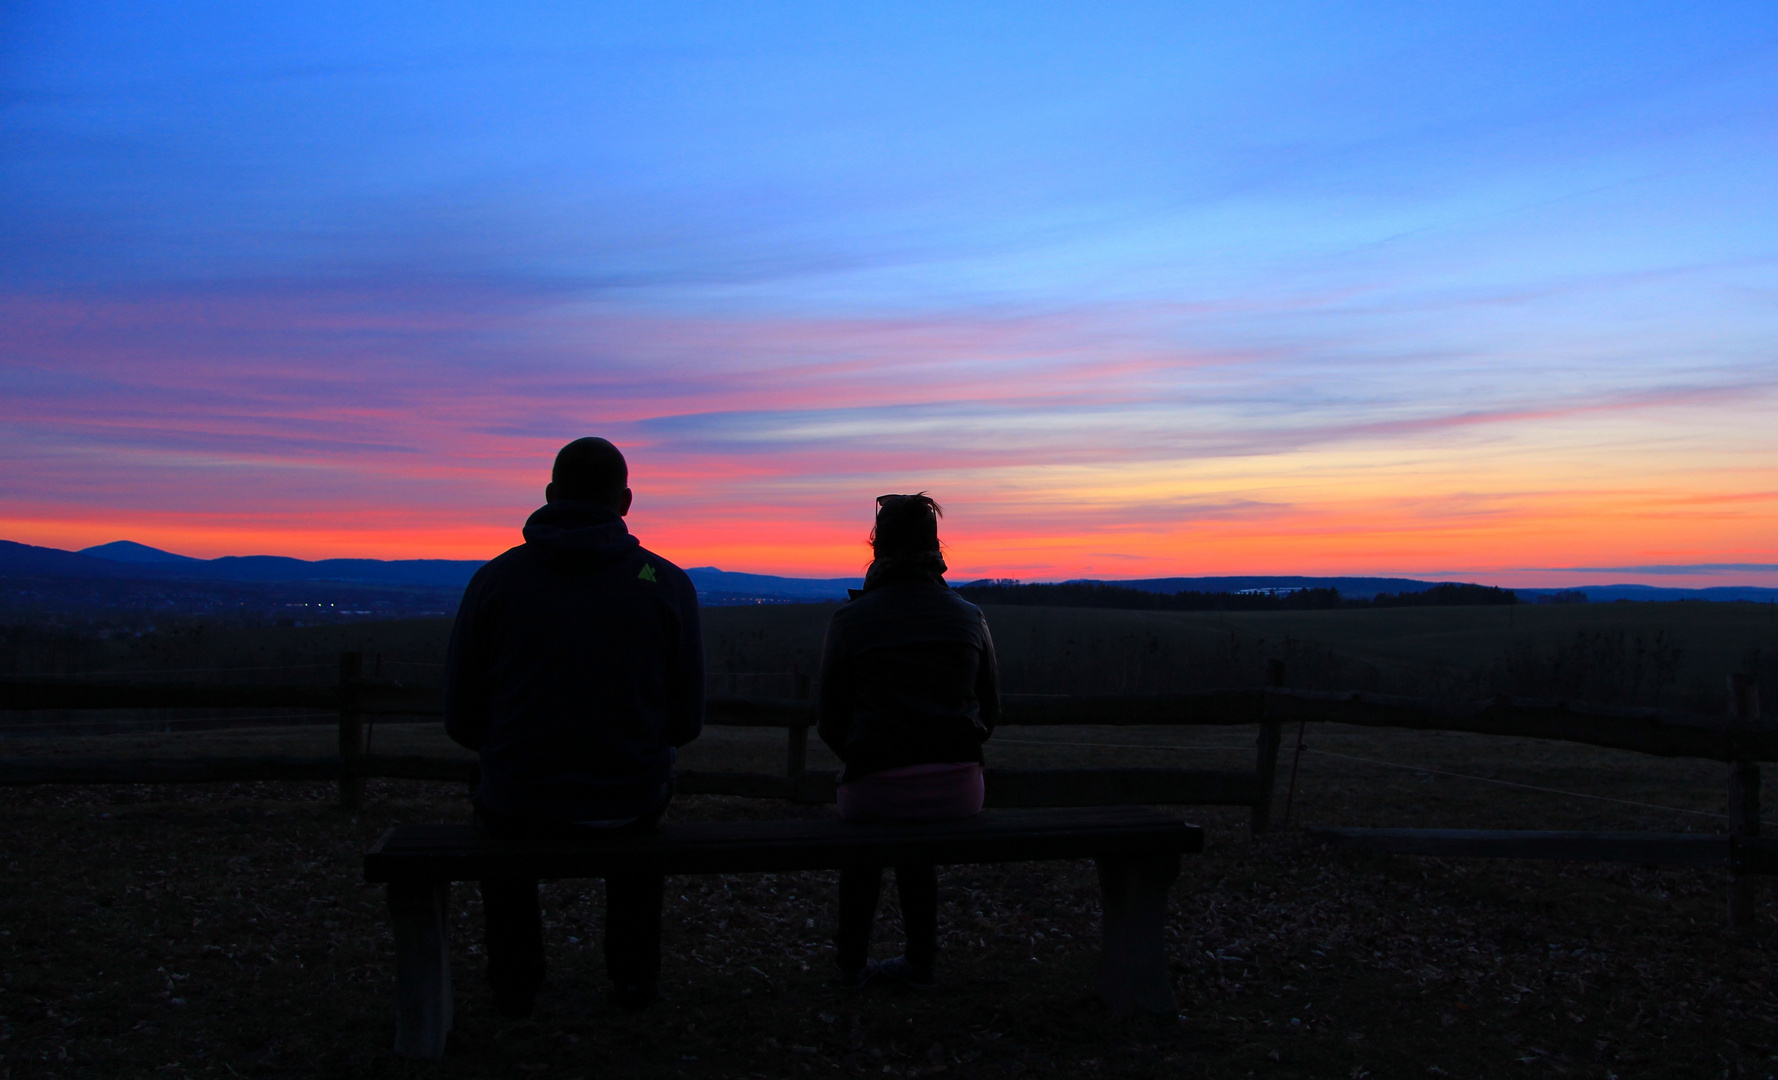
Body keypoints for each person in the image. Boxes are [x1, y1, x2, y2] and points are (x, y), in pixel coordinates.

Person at [444, 437, 703, 1016]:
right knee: (642, 815)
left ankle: (515, 981)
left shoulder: (495, 582)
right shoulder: (666, 584)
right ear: (626, 500)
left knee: (501, 817)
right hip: (630, 800)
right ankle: (633, 978)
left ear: (550, 495)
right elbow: (686, 722)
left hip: (517, 801)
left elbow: (462, 719)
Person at [816, 493, 999, 989]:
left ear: (876, 547)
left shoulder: (850, 620)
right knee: (918, 837)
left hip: (874, 785)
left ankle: (851, 963)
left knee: (866, 847)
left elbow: (829, 719)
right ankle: (921, 960)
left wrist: (867, 758)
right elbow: (991, 709)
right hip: (957, 789)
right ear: (936, 547)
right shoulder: (969, 616)